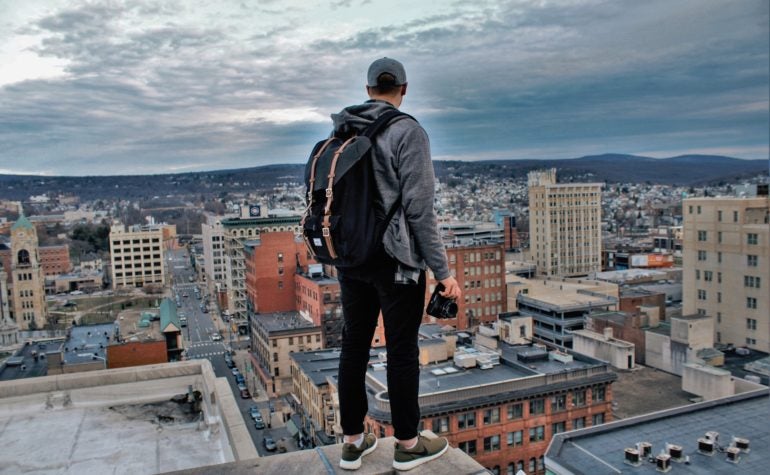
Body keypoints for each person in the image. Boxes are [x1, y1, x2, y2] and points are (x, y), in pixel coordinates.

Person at [333, 57, 462, 471]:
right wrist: (443, 274)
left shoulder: (341, 129)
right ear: (403, 89)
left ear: (369, 89)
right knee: (401, 350)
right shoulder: (408, 132)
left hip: (351, 258)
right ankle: (408, 443)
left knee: (353, 345)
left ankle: (353, 441)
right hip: (396, 263)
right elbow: (420, 211)